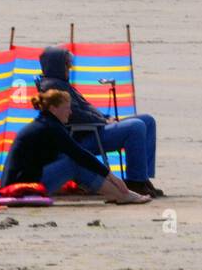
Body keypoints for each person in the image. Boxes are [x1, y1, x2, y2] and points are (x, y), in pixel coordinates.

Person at [37, 45, 163, 197]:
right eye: (66, 64)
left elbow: (85, 108)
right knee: (136, 127)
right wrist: (103, 121)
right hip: (83, 136)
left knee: (147, 121)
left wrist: (104, 117)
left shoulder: (61, 83)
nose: (69, 68)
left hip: (95, 127)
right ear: (57, 65)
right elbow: (74, 115)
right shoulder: (53, 88)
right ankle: (135, 181)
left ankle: (143, 178)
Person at [3, 89, 150, 204]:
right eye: (67, 108)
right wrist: (110, 175)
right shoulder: (50, 127)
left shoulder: (45, 123)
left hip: (24, 180)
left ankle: (118, 194)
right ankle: (121, 195)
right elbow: (79, 154)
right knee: (73, 163)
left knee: (74, 162)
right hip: (22, 188)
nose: (71, 112)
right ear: (54, 109)